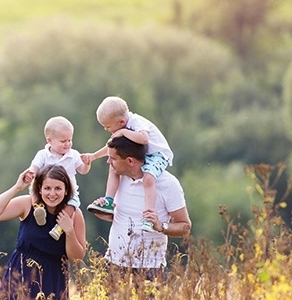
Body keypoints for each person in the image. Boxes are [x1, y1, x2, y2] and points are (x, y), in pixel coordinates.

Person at [0, 164, 87, 300]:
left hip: (53, 278)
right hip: (21, 273)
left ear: (66, 191)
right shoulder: (28, 204)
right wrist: (17, 187)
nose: (52, 194)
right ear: (39, 189)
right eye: (47, 188)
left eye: (58, 188)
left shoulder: (74, 214)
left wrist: (69, 231)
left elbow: (77, 258)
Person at [88, 135, 190, 276]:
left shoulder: (168, 184)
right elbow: (124, 218)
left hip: (150, 269)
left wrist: (161, 226)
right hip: (113, 265)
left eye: (113, 158)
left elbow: (185, 227)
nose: (108, 162)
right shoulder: (118, 179)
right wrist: (104, 212)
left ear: (130, 161)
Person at [81, 96, 174, 233]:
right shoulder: (122, 127)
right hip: (141, 154)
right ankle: (109, 201)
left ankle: (148, 215)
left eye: (107, 126)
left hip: (157, 155)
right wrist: (94, 156)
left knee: (148, 178)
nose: (106, 129)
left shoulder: (137, 123)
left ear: (121, 121)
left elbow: (143, 139)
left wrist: (123, 132)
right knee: (113, 167)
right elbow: (111, 147)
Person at [25, 116, 92, 240]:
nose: (67, 144)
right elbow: (35, 166)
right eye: (63, 141)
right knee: (33, 191)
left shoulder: (74, 155)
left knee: (72, 205)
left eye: (69, 140)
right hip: (45, 188)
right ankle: (39, 209)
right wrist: (31, 173)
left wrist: (87, 164)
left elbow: (82, 170)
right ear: (49, 140)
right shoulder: (43, 154)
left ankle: (59, 228)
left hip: (68, 191)